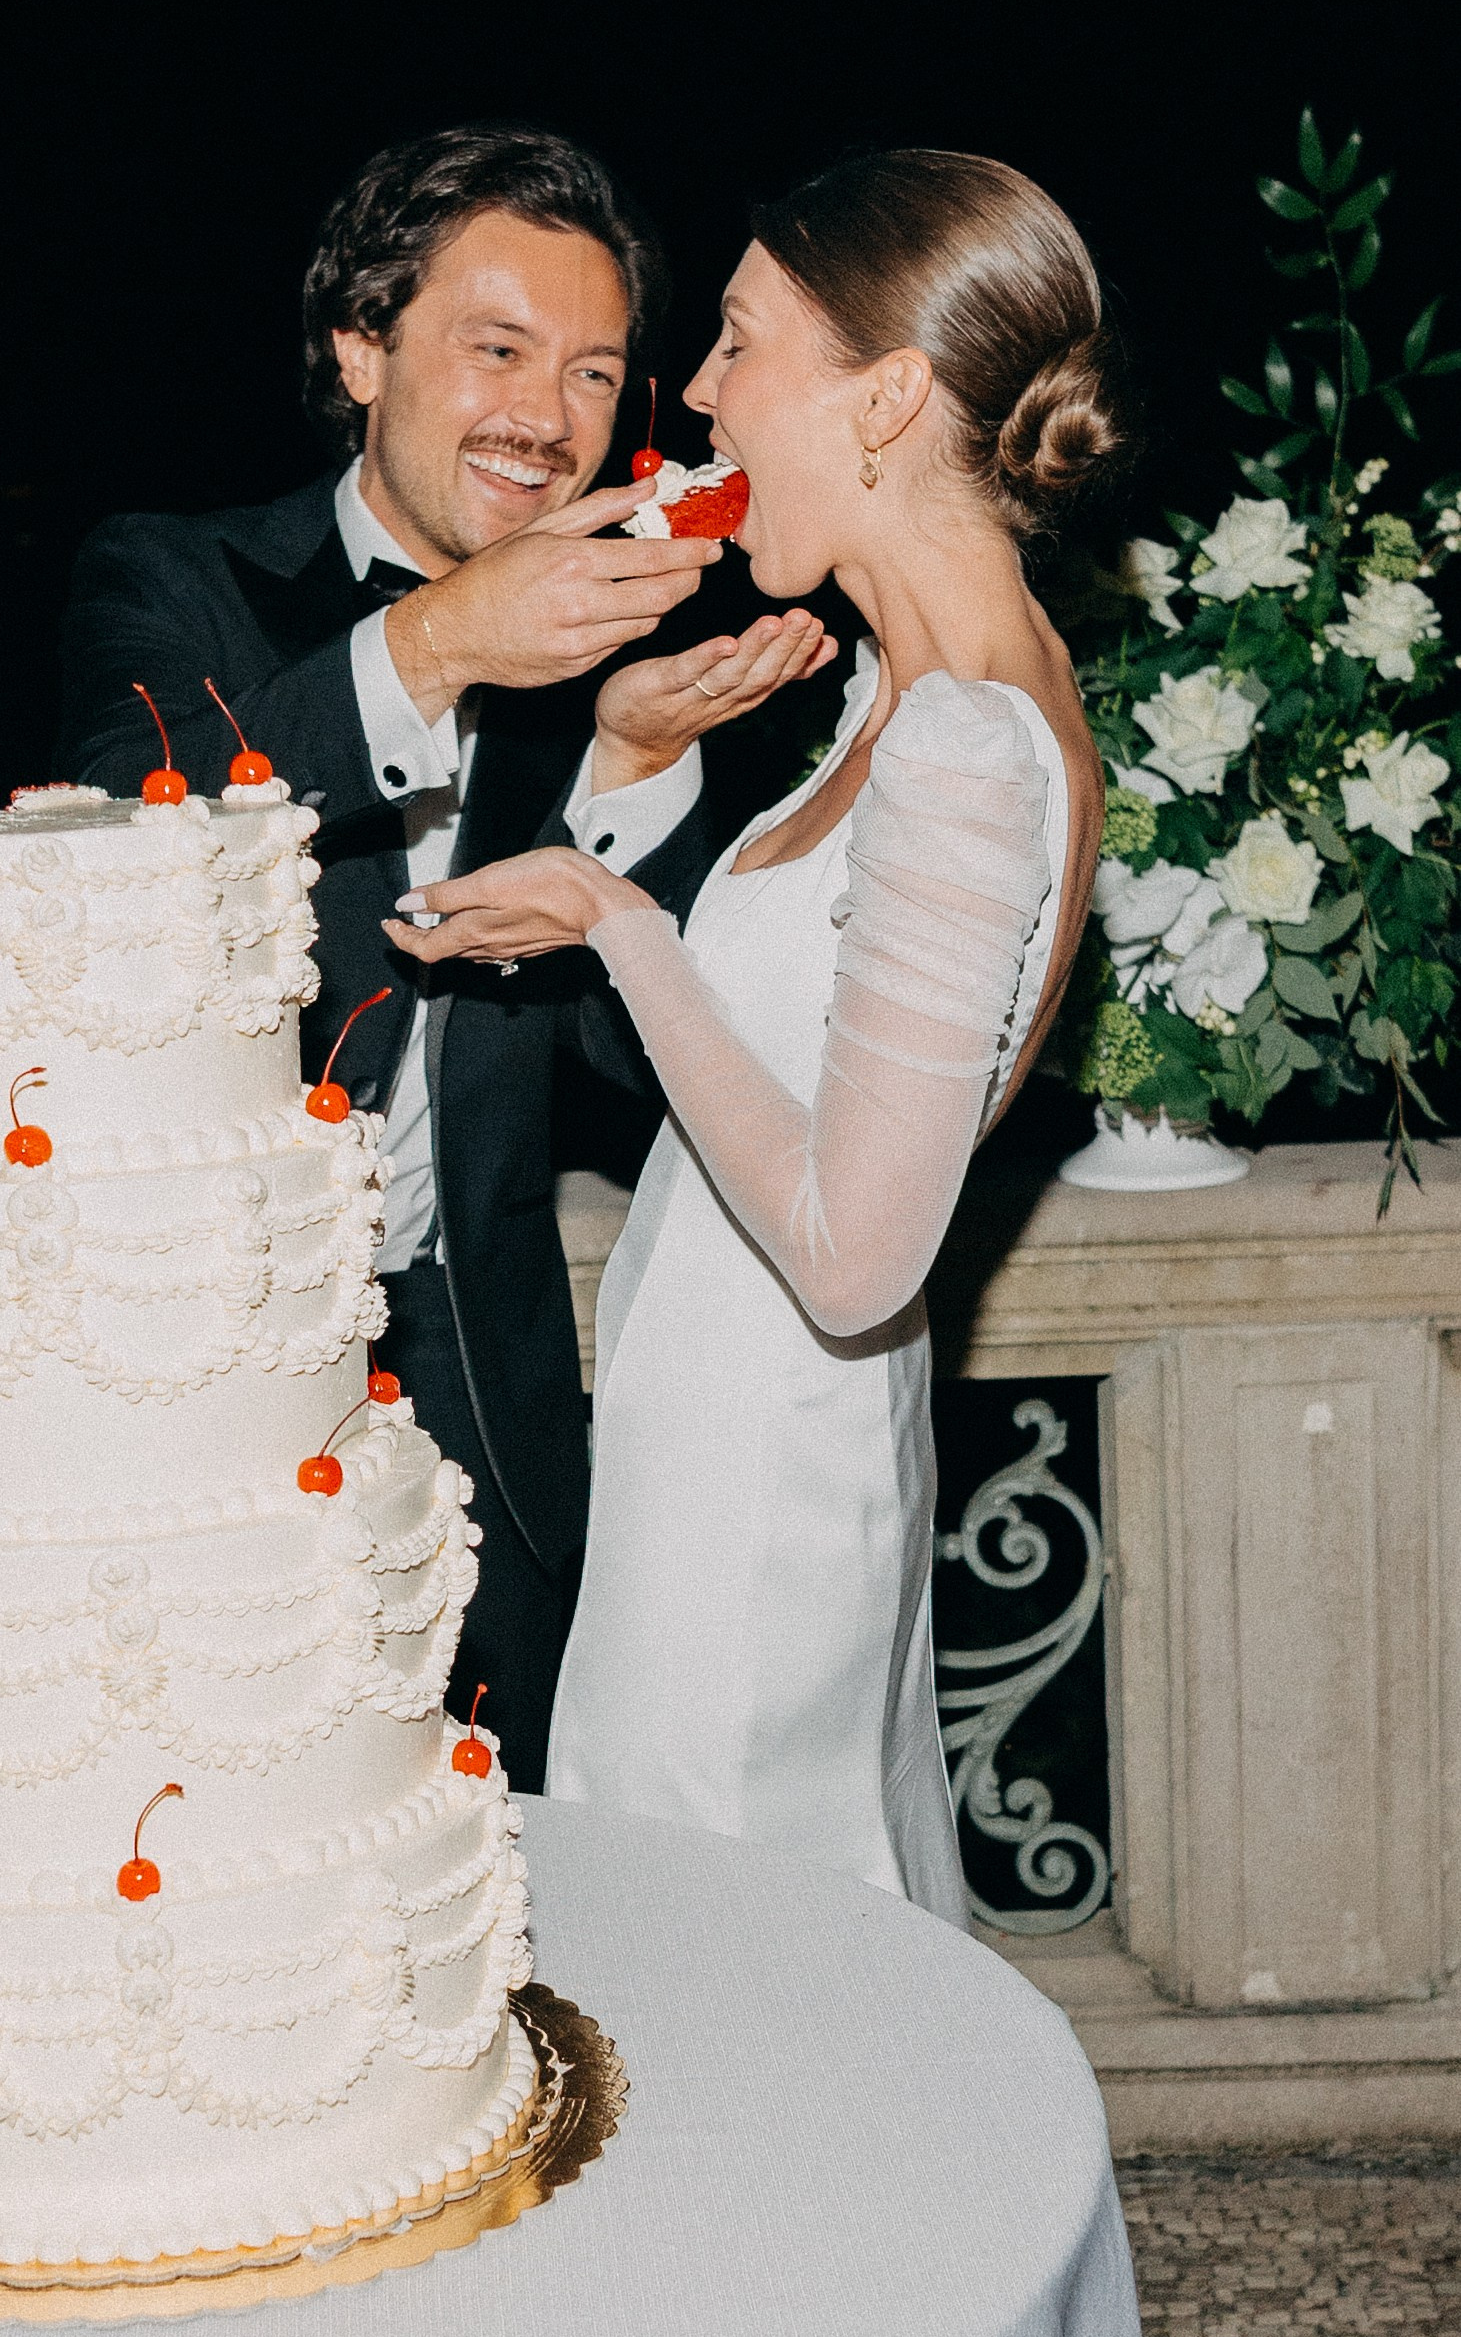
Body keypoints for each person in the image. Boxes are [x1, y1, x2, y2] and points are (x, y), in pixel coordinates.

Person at [386, 149, 1119, 1918]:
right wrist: (625, 787)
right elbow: (808, 1062)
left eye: (734, 343)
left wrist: (614, 920)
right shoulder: (912, 691)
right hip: (738, 1454)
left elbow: (858, 1256)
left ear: (881, 397)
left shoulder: (954, 745)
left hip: (747, 1506)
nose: (694, 396)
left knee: (730, 1996)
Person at [58, 127, 824, 1789]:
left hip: (487, 1423)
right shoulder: (172, 577)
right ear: (358, 346)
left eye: (594, 372)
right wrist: (428, 647)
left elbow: (649, 1077)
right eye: (494, 348)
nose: (546, 419)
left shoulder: (605, 651)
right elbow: (113, 853)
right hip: (177, 1409)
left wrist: (631, 781)